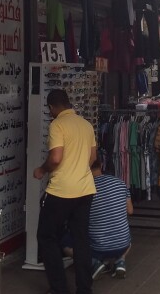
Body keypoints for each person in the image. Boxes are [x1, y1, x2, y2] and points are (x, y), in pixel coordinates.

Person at [34, 89, 98, 294]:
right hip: (85, 189)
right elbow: (93, 156)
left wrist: (42, 169)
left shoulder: (57, 125)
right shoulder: (86, 124)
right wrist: (78, 169)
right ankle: (84, 289)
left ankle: (59, 288)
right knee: (81, 239)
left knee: (46, 236)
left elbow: (55, 158)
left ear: (52, 107)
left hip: (61, 191)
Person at [88, 159, 132, 279]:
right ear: (101, 165)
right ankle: (120, 261)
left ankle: (94, 262)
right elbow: (130, 211)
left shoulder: (85, 188)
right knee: (125, 233)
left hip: (98, 247)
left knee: (66, 240)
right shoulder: (120, 182)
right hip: (124, 245)